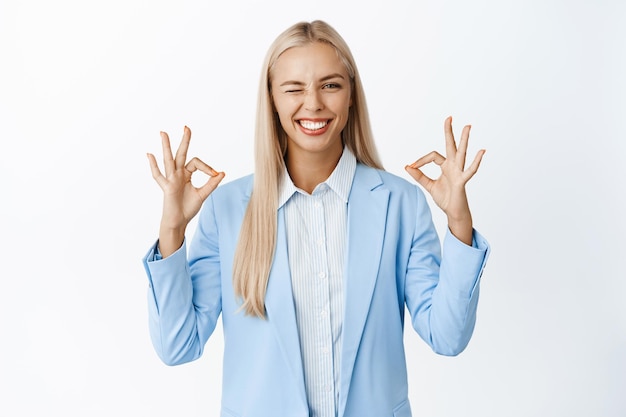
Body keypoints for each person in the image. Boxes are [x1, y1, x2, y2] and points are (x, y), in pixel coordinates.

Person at [144, 20, 490, 417]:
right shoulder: (226, 210)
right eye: (293, 88)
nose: (313, 103)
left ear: (351, 95)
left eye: (330, 85)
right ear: (272, 99)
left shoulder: (401, 204)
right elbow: (177, 345)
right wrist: (172, 229)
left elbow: (448, 337)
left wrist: (459, 224)